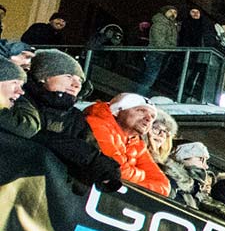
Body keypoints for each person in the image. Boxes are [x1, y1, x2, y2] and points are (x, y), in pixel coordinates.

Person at [0, 50, 122, 189]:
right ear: (43, 76)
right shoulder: (16, 98)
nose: (76, 85)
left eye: (80, 81)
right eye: (69, 76)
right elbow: (25, 134)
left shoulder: (76, 118)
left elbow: (92, 163)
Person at [82, 93, 170, 196]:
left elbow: (164, 186)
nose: (148, 118)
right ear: (117, 111)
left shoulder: (137, 143)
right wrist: (141, 175)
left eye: (152, 116)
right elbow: (116, 171)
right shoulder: (97, 123)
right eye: (141, 111)